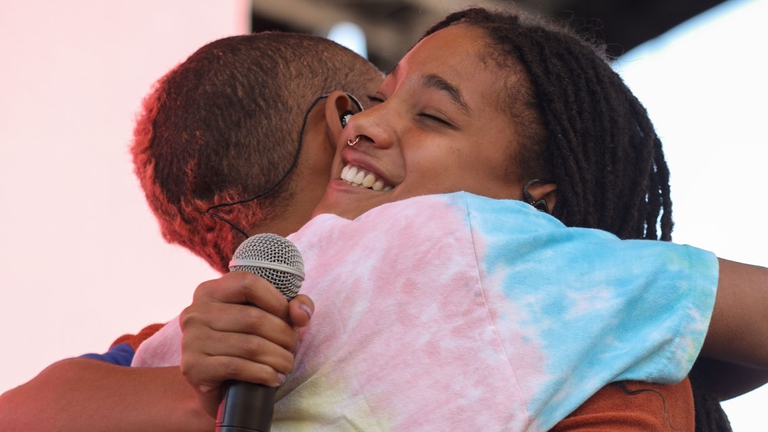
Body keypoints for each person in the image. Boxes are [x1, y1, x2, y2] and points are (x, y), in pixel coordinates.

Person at [145, 7, 767, 432]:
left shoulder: (494, 250)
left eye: (433, 117)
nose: (365, 123)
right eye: (380, 98)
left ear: (536, 204)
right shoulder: (250, 297)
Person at [0, 31, 383, 432]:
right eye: (391, 105)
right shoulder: (189, 353)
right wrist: (222, 388)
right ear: (345, 124)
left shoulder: (160, 360)